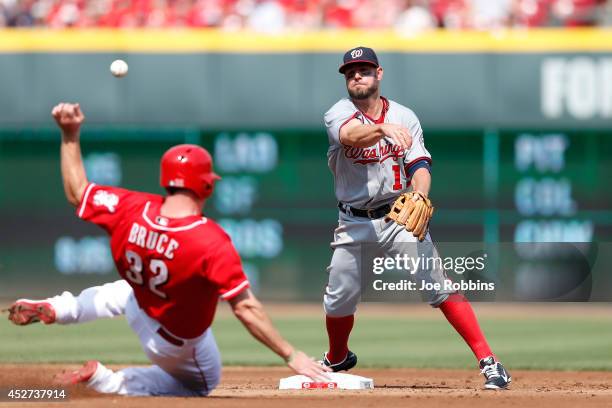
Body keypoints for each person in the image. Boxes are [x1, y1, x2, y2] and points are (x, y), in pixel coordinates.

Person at [7, 102, 330, 396]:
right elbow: (246, 308)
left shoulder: (131, 207)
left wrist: (70, 134)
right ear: (205, 184)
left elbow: (78, 192)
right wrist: (291, 355)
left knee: (122, 292)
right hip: (174, 342)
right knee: (201, 384)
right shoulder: (210, 241)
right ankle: (106, 380)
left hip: (140, 301)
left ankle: (59, 308)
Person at [321, 47, 511, 390]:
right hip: (353, 221)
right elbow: (349, 136)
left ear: (379, 74)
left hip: (398, 218)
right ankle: (337, 356)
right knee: (338, 299)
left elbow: (419, 166)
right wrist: (381, 130)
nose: (357, 76)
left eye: (364, 70)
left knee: (439, 286)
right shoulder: (338, 113)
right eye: (350, 72)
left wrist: (420, 194)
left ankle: (490, 362)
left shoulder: (405, 116)